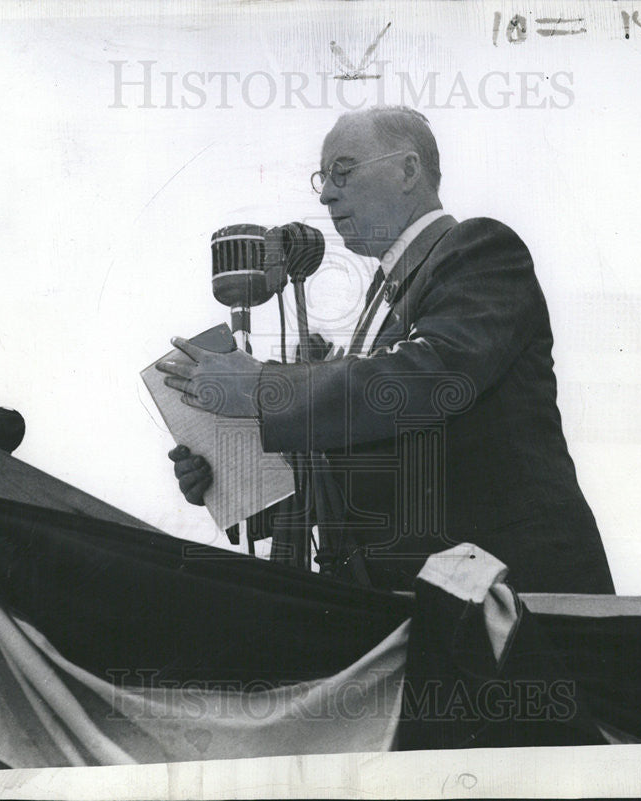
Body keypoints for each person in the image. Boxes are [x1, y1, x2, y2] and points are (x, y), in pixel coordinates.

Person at [160, 106, 614, 594]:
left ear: (408, 170)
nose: (328, 193)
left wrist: (260, 389)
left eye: (344, 170)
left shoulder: (479, 250)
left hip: (521, 599)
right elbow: (374, 468)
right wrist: (230, 481)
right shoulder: (384, 305)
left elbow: (427, 380)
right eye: (323, 179)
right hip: (443, 607)